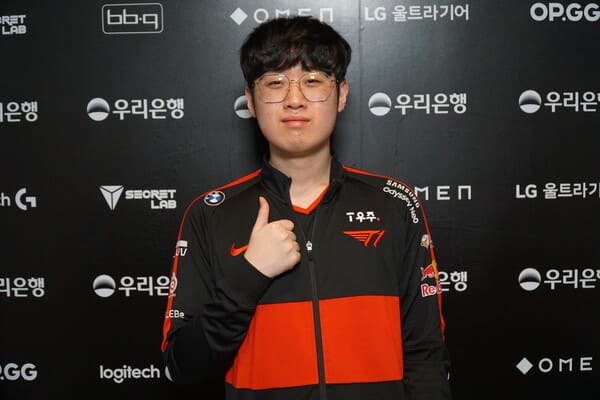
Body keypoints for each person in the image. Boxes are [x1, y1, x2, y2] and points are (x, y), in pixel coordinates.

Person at [161, 15, 451, 400]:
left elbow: (426, 357)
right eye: (275, 82)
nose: (294, 99)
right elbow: (181, 368)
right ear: (250, 100)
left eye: (313, 81)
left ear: (341, 94)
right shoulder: (210, 214)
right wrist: (249, 275)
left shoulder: (395, 204)